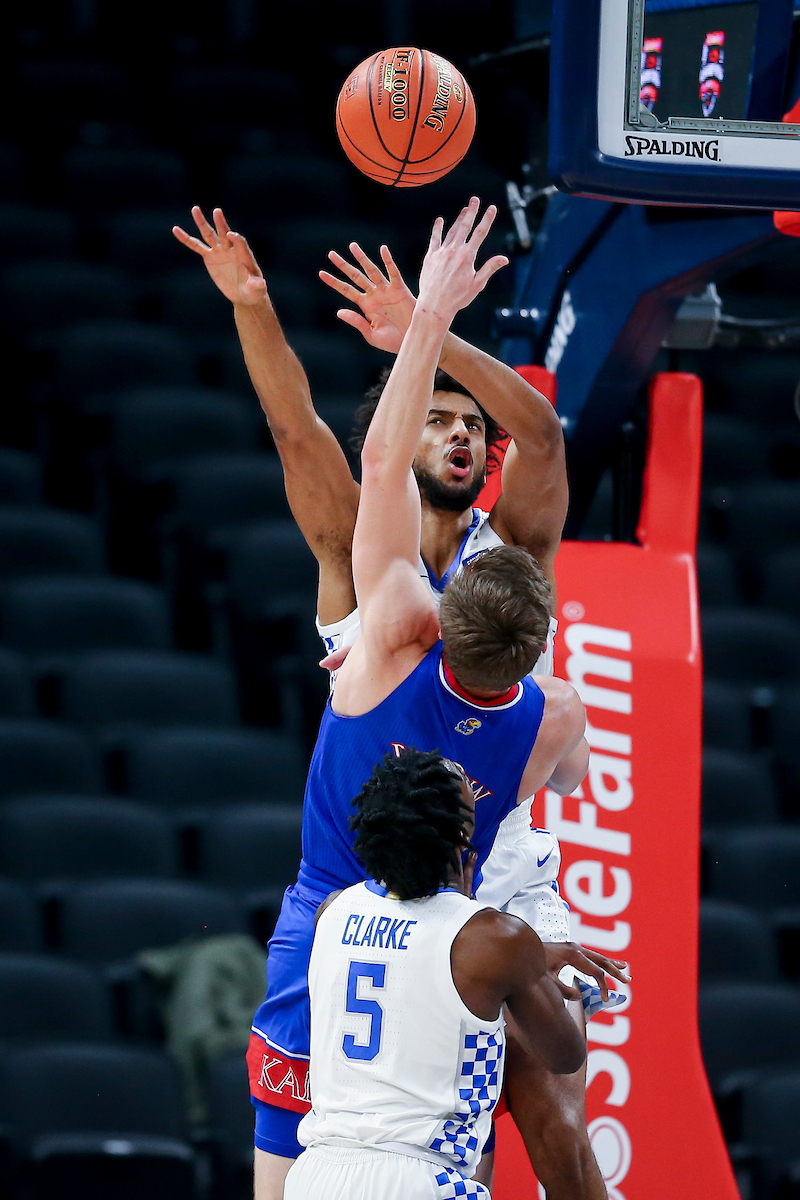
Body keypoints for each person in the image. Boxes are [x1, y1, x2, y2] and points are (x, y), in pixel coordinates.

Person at [173, 204, 622, 1199]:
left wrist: (438, 331)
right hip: (351, 889)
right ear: (399, 427)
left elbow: (541, 440)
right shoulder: (356, 558)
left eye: (473, 428)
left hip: (490, 875)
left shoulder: (507, 562)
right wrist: (253, 310)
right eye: (440, 418)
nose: (463, 436)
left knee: (546, 1106)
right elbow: (297, 429)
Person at [284, 748, 586, 1200]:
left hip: (315, 1175)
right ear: (462, 837)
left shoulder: (332, 911)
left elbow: (413, 958)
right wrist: (533, 978)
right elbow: (564, 1055)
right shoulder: (497, 940)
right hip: (419, 1179)